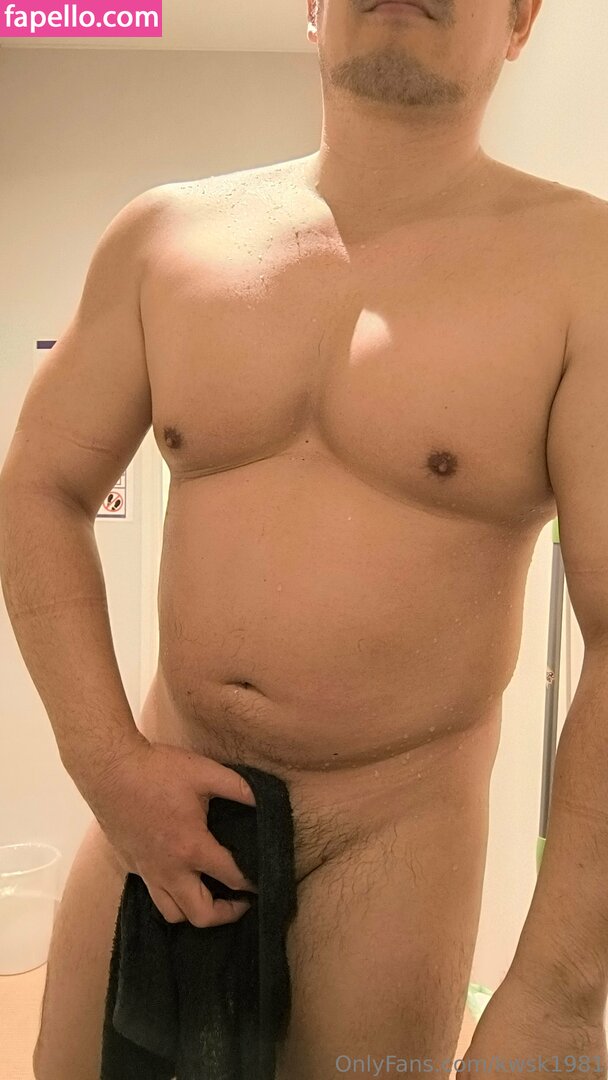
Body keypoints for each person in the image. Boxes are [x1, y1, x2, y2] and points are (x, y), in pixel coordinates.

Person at [2, 0, 608, 1076]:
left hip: (389, 848)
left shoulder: (585, 270)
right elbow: (38, 487)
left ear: (520, 20)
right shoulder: (163, 238)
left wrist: (559, 991)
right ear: (312, 11)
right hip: (154, 805)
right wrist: (105, 763)